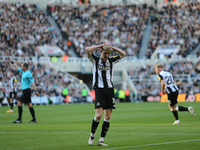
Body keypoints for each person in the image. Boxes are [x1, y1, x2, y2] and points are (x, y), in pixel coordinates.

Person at [86, 43, 126, 146]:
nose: (106, 55)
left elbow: (123, 54)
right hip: (99, 90)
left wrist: (112, 48)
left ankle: (101, 140)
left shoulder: (111, 60)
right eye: (105, 53)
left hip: (109, 90)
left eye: (108, 53)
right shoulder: (95, 60)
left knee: (107, 116)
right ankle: (92, 134)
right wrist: (100, 45)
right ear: (100, 51)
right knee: (98, 116)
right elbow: (87, 49)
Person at [8, 58, 40, 123]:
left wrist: (35, 90)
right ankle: (34, 119)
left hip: (27, 91)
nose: (21, 67)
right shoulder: (23, 72)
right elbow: (16, 67)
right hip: (25, 91)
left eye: (22, 66)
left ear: (25, 67)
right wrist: (11, 61)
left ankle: (19, 119)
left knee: (19, 104)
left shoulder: (28, 74)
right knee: (29, 105)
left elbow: (33, 82)